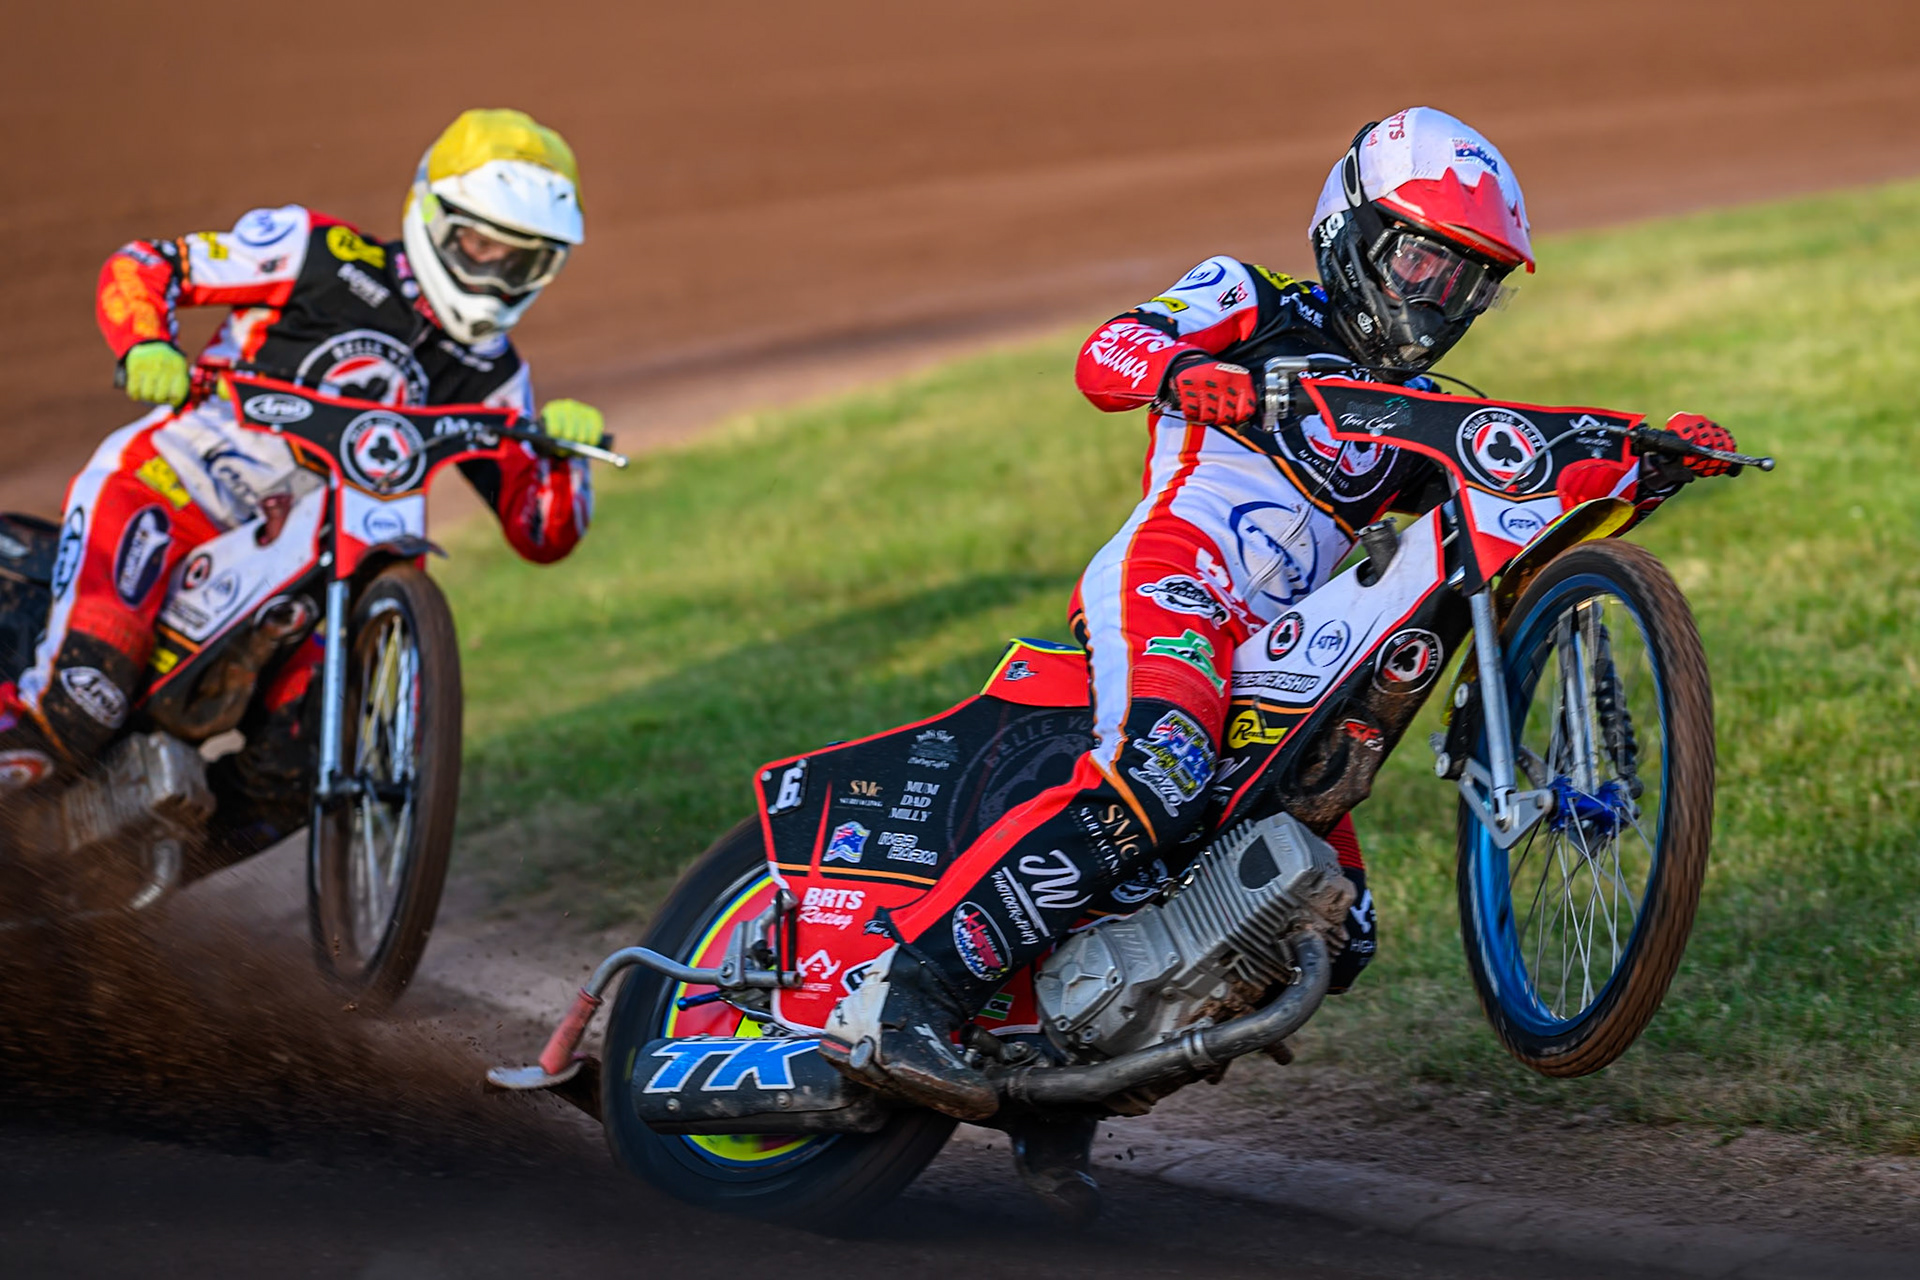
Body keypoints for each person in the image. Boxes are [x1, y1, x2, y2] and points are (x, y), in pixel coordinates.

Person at [821, 107, 1739, 1121]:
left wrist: (1639, 453)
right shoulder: (1245, 297)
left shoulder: (1409, 418)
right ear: (1352, 232)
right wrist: (1183, 373)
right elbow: (1106, 351)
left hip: (1269, 652)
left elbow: (1499, 481)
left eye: (1470, 282)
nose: (1440, 301)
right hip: (1173, 578)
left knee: (1332, 928)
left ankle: (1059, 1082)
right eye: (1424, 262)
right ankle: (908, 991)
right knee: (1157, 771)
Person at [0, 108, 606, 857]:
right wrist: (148, 343)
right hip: (169, 492)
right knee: (81, 702)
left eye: (521, 259)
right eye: (479, 244)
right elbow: (146, 265)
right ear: (431, 215)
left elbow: (542, 532)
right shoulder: (315, 251)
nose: (493, 272)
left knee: (301, 773)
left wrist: (561, 452)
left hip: (313, 589)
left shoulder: (495, 376)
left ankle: (114, 886)